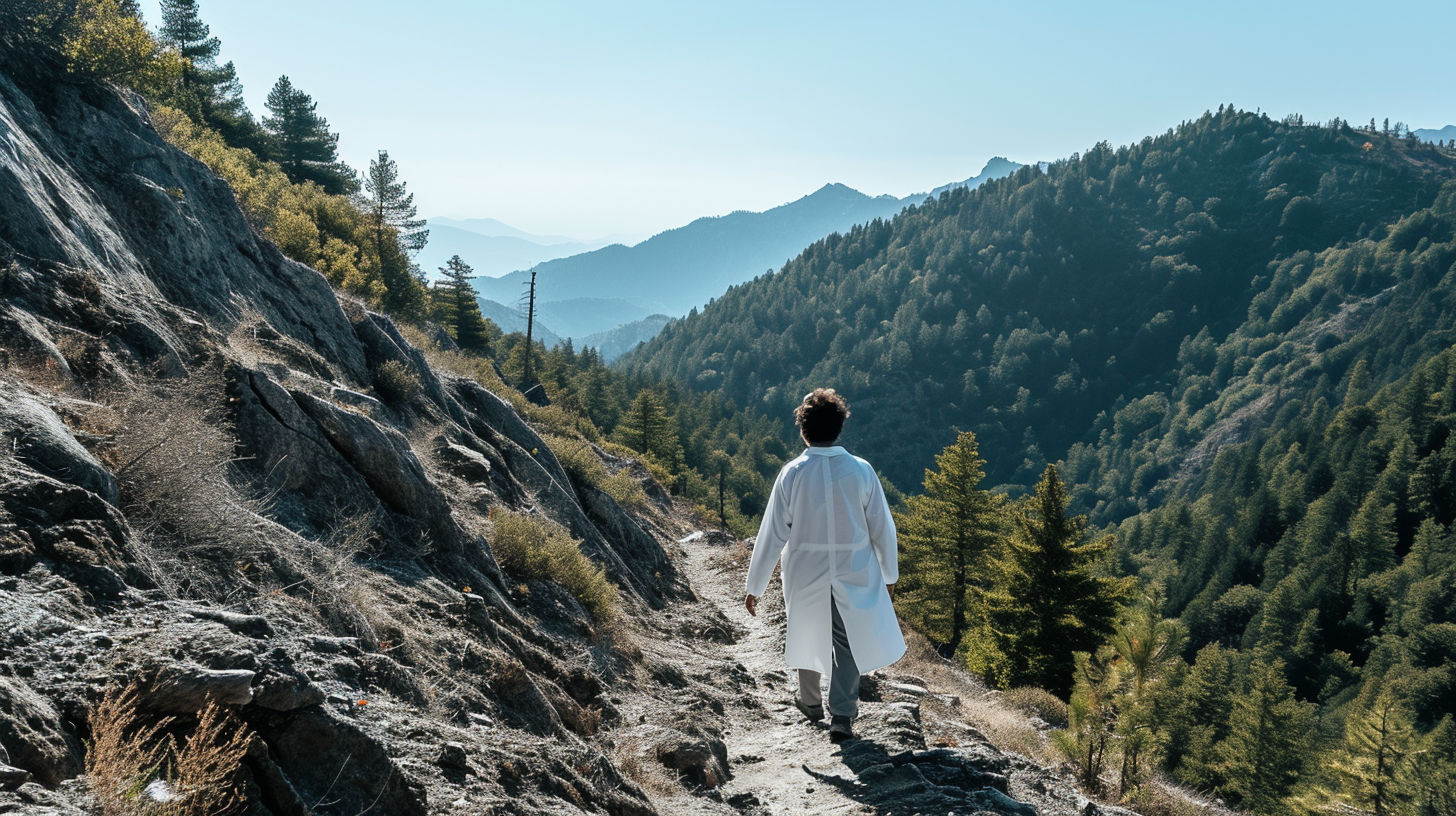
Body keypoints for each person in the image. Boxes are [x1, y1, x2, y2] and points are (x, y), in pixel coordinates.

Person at [744, 388, 905, 742]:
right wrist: (889, 574)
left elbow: (772, 532)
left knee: (804, 628)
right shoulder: (861, 470)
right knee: (846, 641)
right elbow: (882, 527)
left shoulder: (793, 472)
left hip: (804, 567)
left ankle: (810, 702)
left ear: (804, 430)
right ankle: (842, 716)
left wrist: (754, 585)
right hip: (854, 568)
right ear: (839, 428)